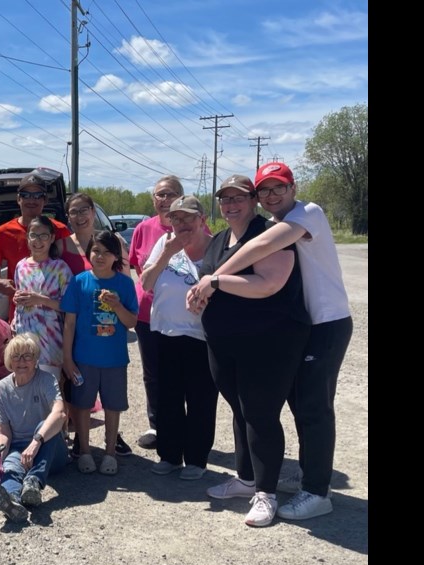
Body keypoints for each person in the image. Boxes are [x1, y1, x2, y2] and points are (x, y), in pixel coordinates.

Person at [188, 162, 352, 521]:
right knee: (277, 407)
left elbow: (262, 252)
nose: (272, 194)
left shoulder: (305, 215)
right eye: (266, 189)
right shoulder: (273, 225)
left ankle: (317, 491)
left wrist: (215, 279)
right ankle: (268, 479)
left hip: (327, 322)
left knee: (312, 409)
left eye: (279, 187)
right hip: (304, 324)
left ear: (292, 188)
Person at [190, 175, 310, 527]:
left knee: (259, 412)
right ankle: (246, 478)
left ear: (253, 200)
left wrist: (214, 283)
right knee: (240, 409)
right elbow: (206, 281)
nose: (230, 205)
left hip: (268, 341)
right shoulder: (218, 241)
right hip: (225, 342)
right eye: (224, 199)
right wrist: (197, 293)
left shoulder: (268, 232)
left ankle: (266, 493)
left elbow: (269, 284)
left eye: (238, 198)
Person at [139, 196, 217, 480]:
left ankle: (197, 459)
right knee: (167, 396)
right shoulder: (165, 244)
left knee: (200, 399)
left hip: (201, 336)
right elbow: (146, 283)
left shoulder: (215, 247)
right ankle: (169, 455)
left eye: (188, 217)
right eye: (176, 218)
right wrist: (168, 252)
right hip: (164, 331)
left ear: (202, 218)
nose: (182, 223)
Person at [60, 192, 133, 456]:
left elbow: (125, 293)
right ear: (67, 216)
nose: (79, 216)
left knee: (110, 390)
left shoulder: (113, 243)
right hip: (69, 320)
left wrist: (117, 305)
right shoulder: (61, 244)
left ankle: (112, 441)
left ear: (93, 211)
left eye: (83, 210)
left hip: (107, 331)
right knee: (76, 387)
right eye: (73, 212)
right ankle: (80, 440)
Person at [0, 333, 68, 523]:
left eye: (27, 356)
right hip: (19, 447)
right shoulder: (1, 389)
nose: (22, 361)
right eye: (16, 356)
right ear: (9, 361)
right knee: (10, 468)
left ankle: (33, 482)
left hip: (50, 448)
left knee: (45, 423)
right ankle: (12, 502)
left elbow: (60, 414)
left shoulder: (46, 380)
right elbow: (3, 431)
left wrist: (36, 441)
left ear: (36, 359)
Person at [127, 176, 183, 451]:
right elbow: (136, 267)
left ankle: (181, 424)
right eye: (159, 195)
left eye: (170, 194)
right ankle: (157, 424)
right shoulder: (142, 229)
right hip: (147, 313)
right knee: (152, 372)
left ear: (180, 198)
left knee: (180, 370)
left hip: (181, 313)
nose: (164, 200)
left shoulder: (192, 226)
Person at [0, 172, 70, 322]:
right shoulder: (3, 232)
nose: (32, 200)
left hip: (53, 323)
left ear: (45, 200)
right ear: (19, 199)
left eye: (38, 195)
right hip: (21, 317)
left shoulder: (60, 230)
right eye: (26, 195)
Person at [12, 215, 72, 376]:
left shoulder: (60, 268)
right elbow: (20, 295)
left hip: (50, 343)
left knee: (50, 394)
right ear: (27, 237)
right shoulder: (21, 266)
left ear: (52, 238)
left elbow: (69, 307)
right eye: (33, 235)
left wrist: (39, 299)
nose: (38, 241)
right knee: (25, 391)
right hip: (23, 340)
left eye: (43, 235)